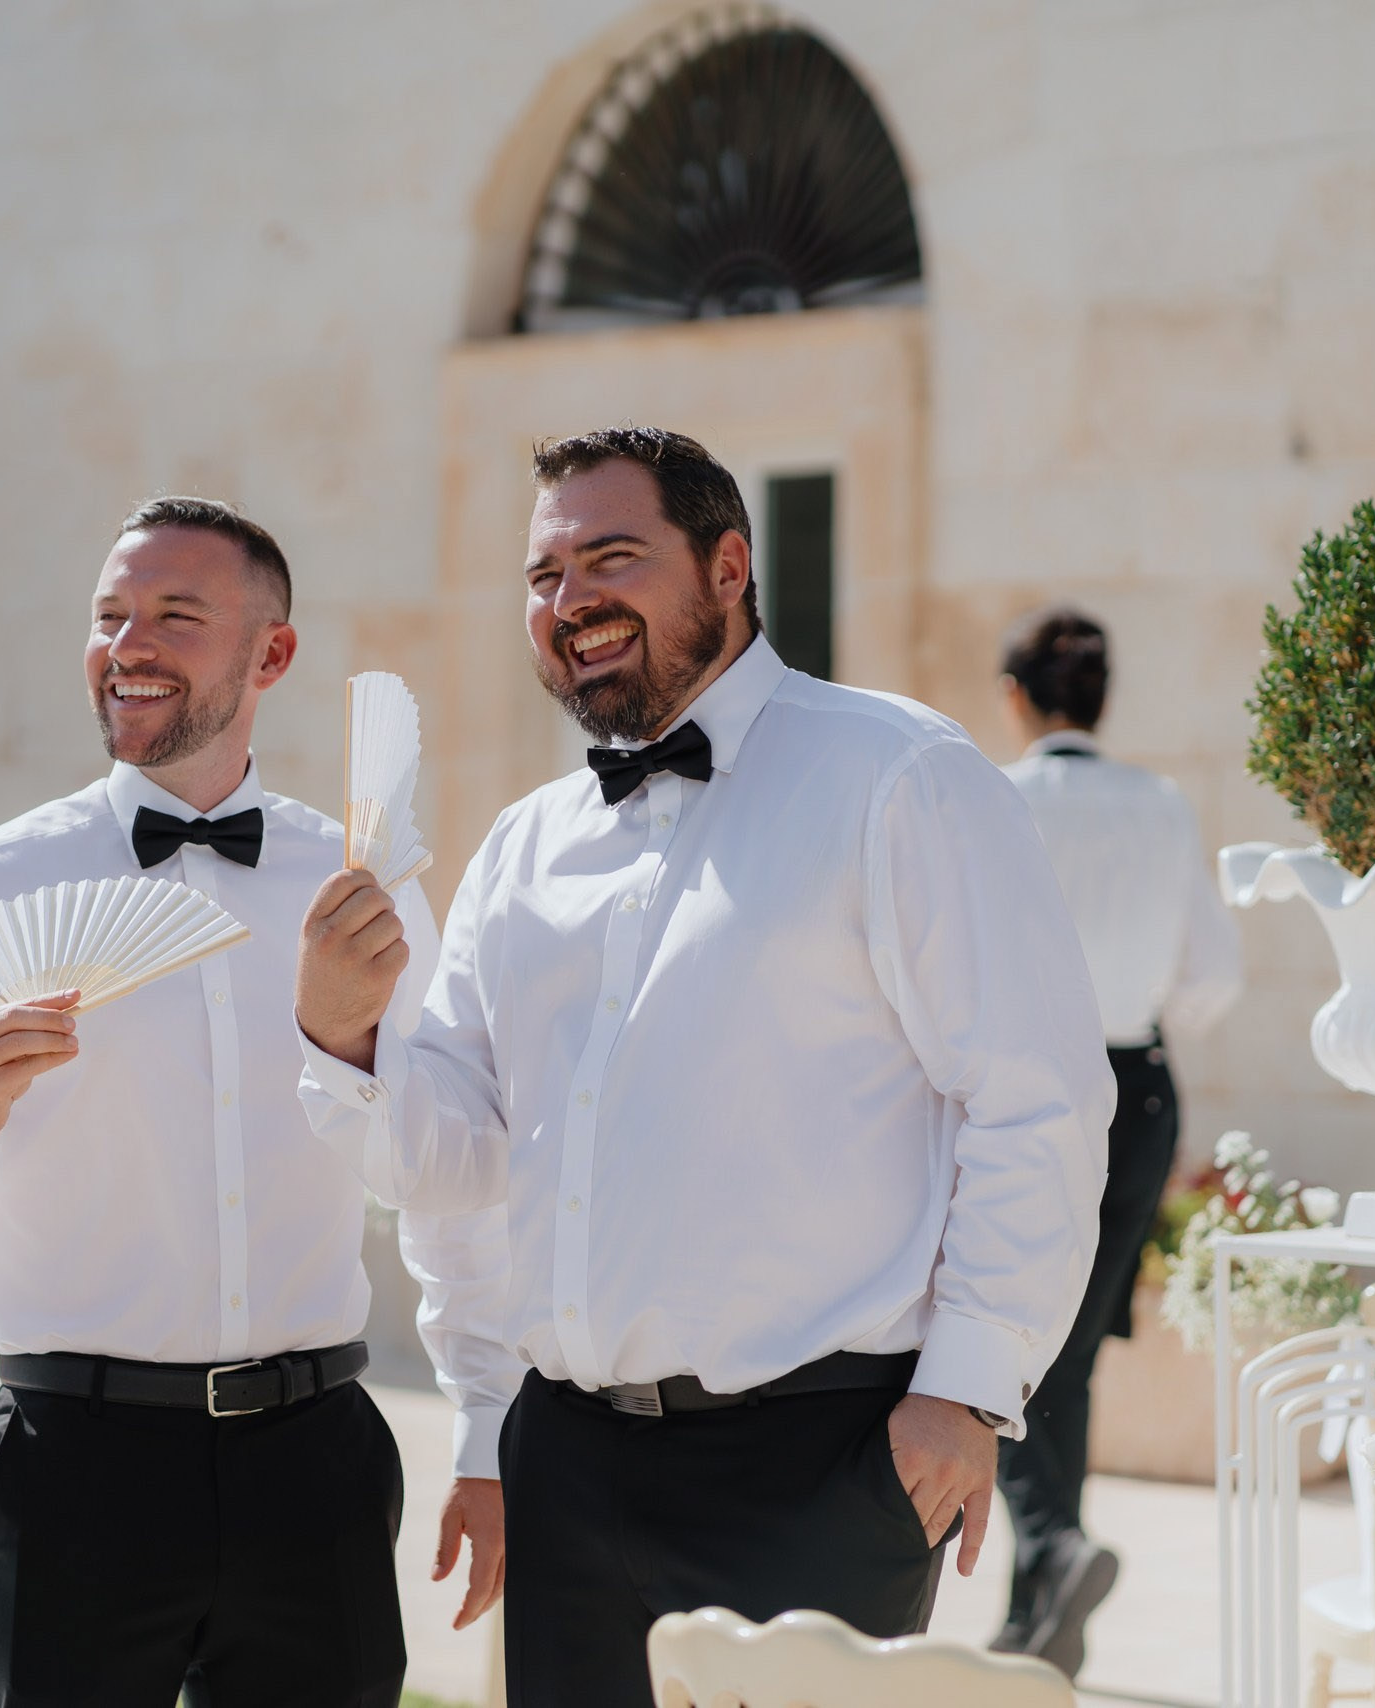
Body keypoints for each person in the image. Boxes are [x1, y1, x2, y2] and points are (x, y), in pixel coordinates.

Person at [293, 427, 1114, 1706]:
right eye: (543, 576)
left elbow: (1038, 1094)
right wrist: (347, 1036)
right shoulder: (522, 846)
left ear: (729, 565)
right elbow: (454, 1159)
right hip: (566, 1463)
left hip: (820, 1463)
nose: (570, 603)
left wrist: (966, 1388)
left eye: (610, 558)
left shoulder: (897, 776)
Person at [0, 497, 514, 1708]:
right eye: (109, 616)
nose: (128, 643)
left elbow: (450, 1172)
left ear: (272, 655)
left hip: (316, 1465)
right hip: (72, 1463)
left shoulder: (361, 886)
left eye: (175, 616)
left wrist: (487, 1428)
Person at [987, 608, 1243, 1676]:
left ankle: (1049, 1547)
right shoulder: (1161, 804)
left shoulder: (998, 796)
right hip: (1139, 1088)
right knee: (1071, 1349)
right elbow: (1213, 976)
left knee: (999, 1338)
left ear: (1015, 696)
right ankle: (1039, 1601)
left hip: (1028, 1086)